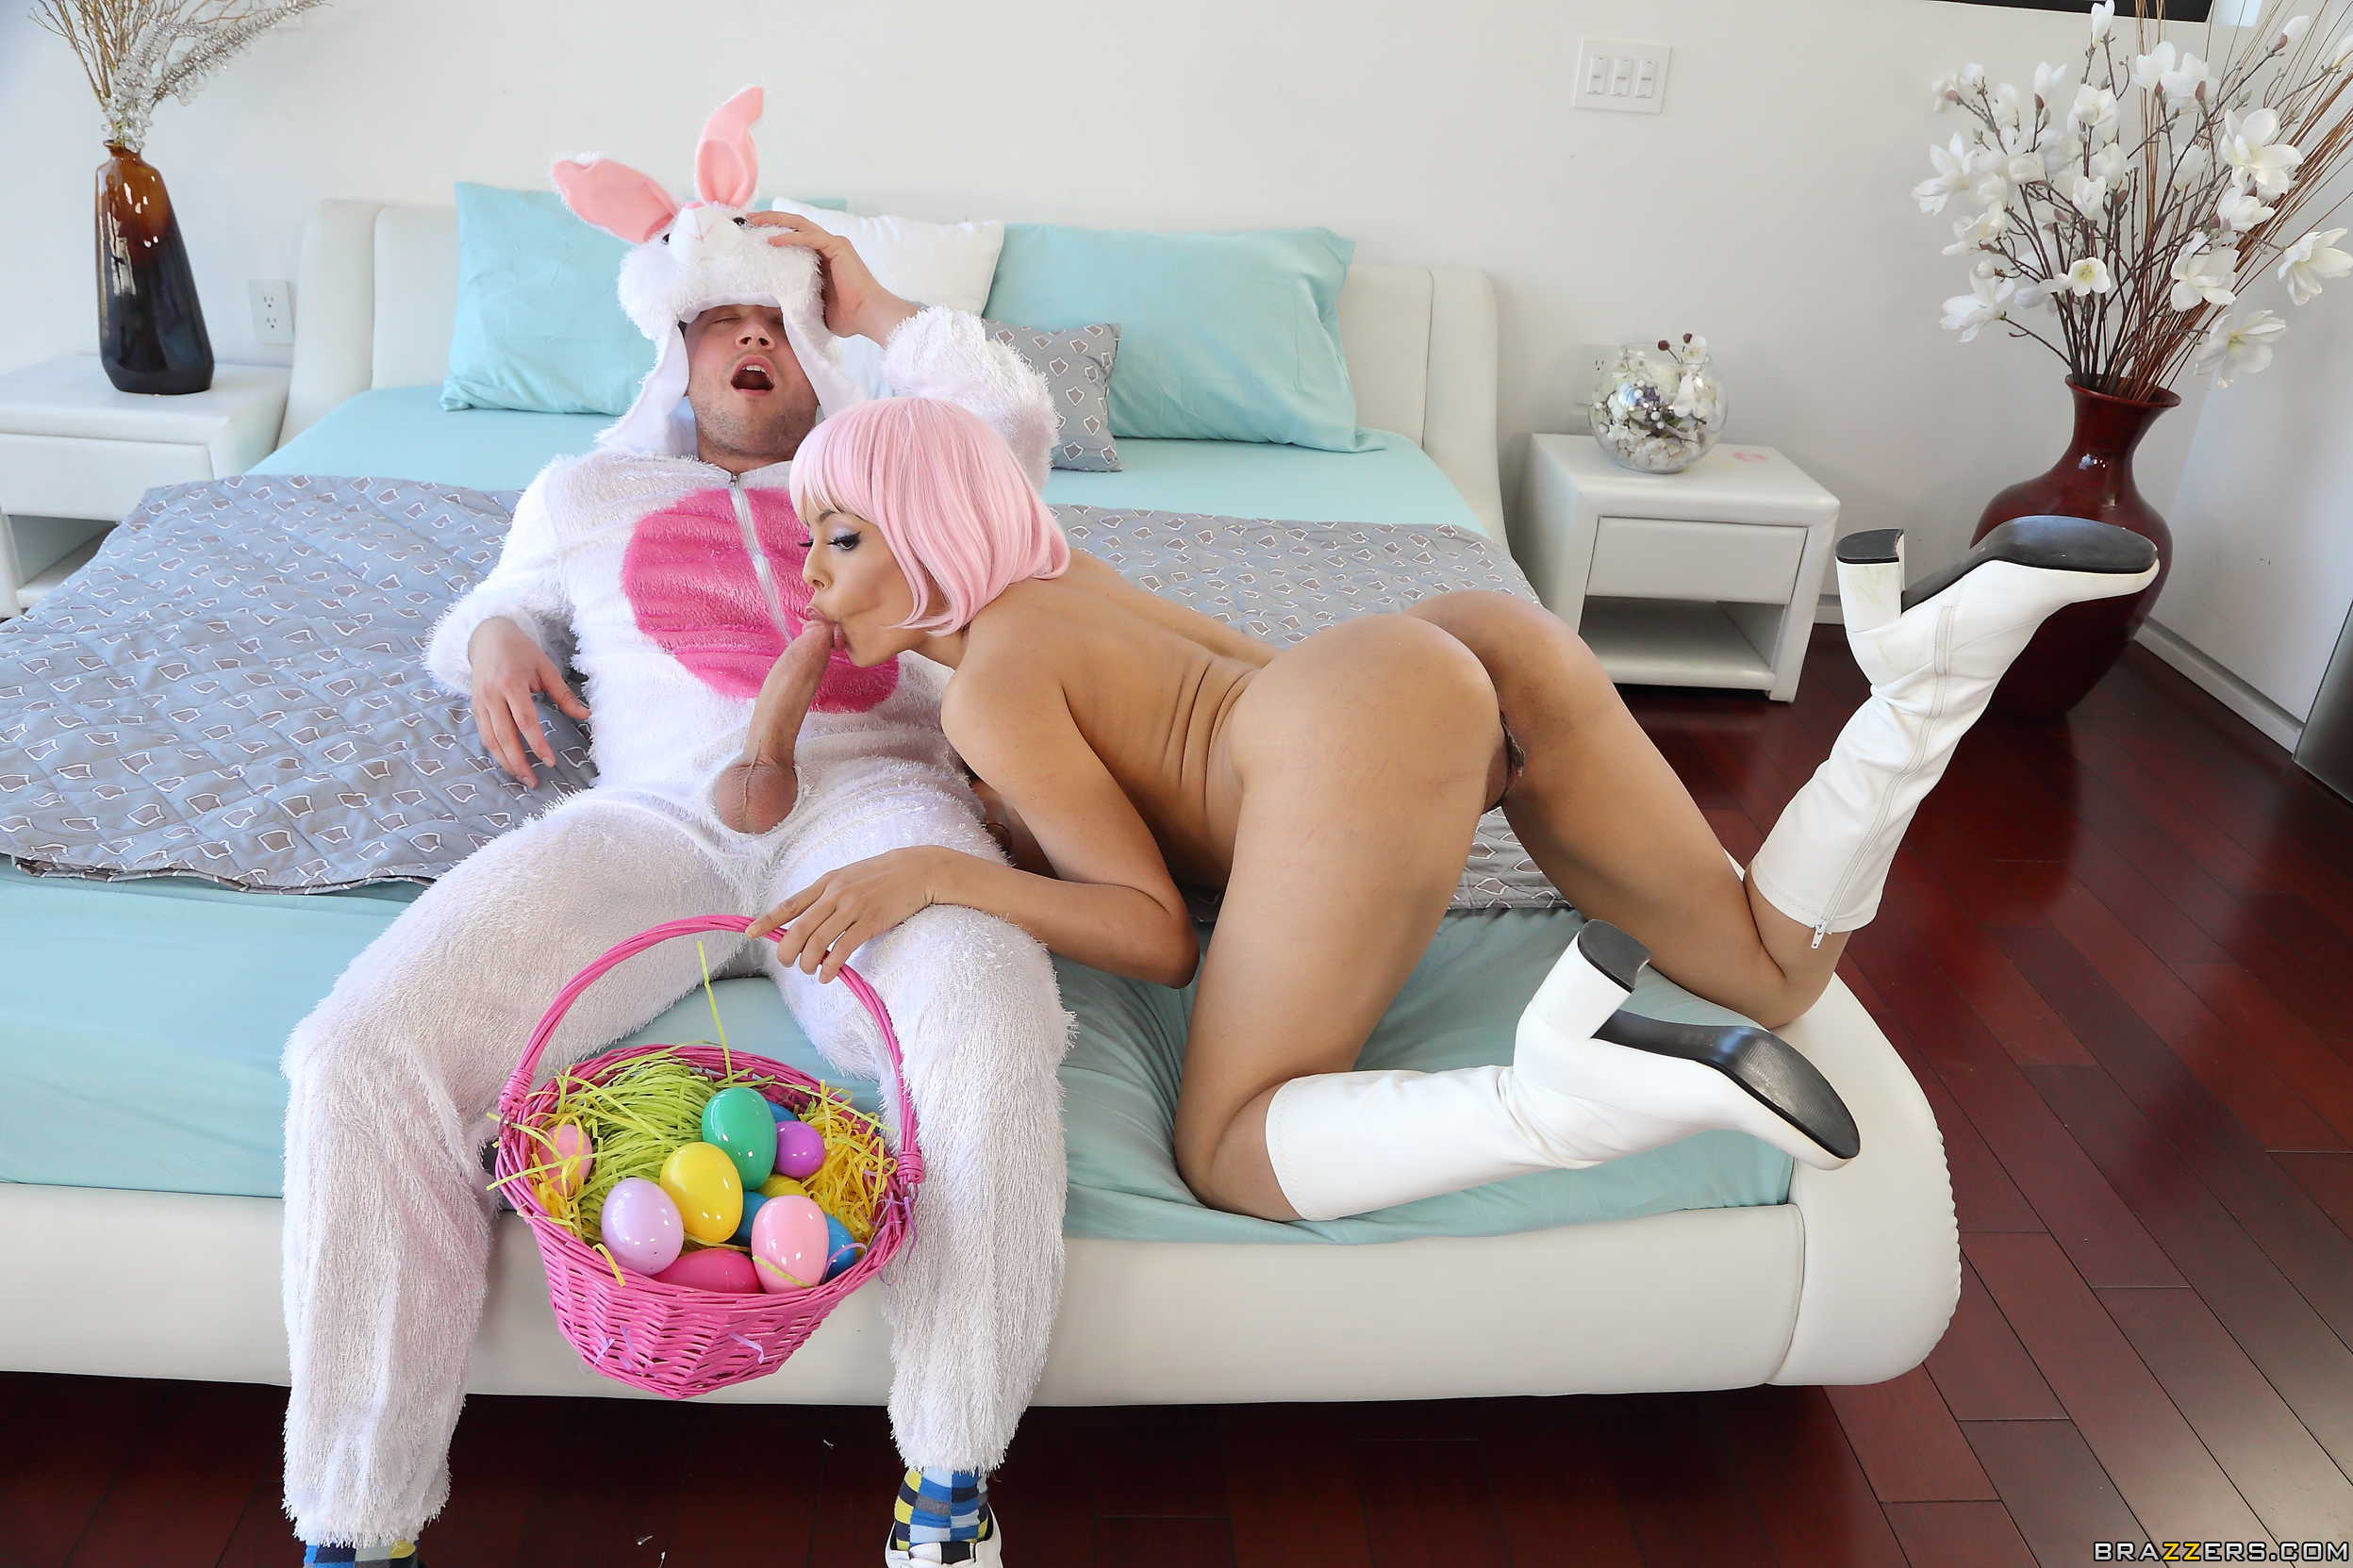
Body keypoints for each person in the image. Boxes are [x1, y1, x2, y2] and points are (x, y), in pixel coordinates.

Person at [745, 393, 2158, 1228]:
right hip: (1459, 641)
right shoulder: (1068, 576)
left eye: (843, 536)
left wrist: (934, 871)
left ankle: (1563, 1094)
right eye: (807, 539)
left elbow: (1152, 931)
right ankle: (1925, 682)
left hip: (1351, 724)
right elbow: (1256, 696)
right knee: (1772, 972)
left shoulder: (991, 688)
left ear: (931, 535)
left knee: (1228, 1154)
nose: (809, 572)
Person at [282, 91, 1061, 1568]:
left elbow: (1010, 424)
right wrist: (496, 640)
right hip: (652, 822)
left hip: (879, 814)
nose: (752, 341)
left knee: (992, 1019)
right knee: (356, 1052)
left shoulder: (889, 475)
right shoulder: (588, 488)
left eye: (780, 321)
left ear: (819, 344)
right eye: (721, 324)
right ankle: (356, 1522)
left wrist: (875, 299)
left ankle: (950, 1485)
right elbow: (494, 605)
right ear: (674, 350)